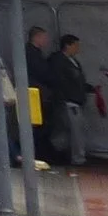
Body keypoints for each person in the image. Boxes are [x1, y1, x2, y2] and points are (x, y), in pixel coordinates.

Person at [44, 34, 92, 169]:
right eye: (76, 45)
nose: (78, 48)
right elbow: (61, 82)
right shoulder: (59, 61)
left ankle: (55, 152)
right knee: (75, 131)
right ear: (68, 45)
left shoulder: (72, 61)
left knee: (64, 131)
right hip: (68, 101)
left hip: (73, 100)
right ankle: (78, 158)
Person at [24, 26, 56, 168]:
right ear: (36, 37)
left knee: (41, 126)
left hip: (39, 92)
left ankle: (42, 154)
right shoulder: (32, 53)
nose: (46, 40)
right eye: (43, 37)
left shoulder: (33, 52)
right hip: (36, 93)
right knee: (39, 126)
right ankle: (39, 155)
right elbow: (42, 73)